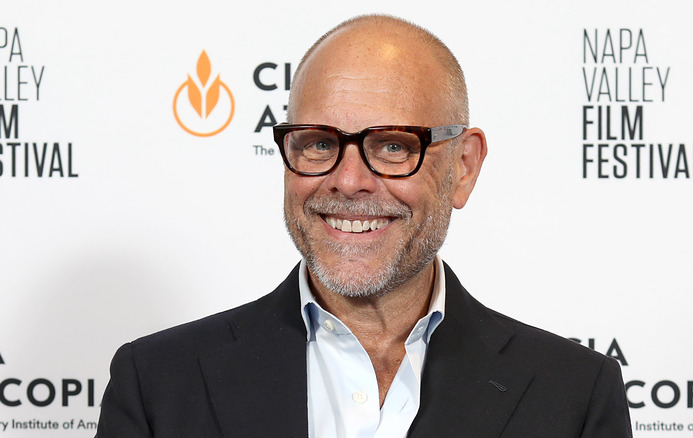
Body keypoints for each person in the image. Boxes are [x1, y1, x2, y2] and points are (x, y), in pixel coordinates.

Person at [96, 14, 632, 438]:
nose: (348, 181)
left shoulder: (574, 396)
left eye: (393, 146)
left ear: (463, 168)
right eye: (319, 143)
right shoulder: (157, 385)